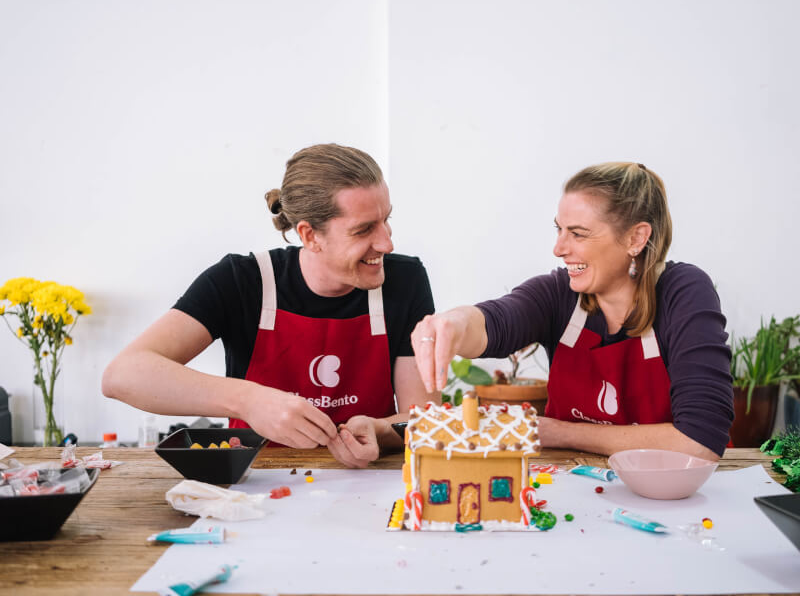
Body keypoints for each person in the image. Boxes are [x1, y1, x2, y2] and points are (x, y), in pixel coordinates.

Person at [103, 143, 434, 467]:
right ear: (309, 235)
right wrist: (248, 400)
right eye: (363, 230)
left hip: (365, 486)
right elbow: (122, 375)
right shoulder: (241, 281)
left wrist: (381, 430)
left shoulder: (405, 282)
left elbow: (423, 421)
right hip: (253, 489)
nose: (387, 242)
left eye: (386, 220)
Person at [411, 162, 733, 461]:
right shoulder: (560, 295)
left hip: (674, 501)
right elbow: (494, 322)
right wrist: (451, 325)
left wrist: (559, 432)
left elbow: (700, 442)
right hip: (576, 490)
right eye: (559, 230)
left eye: (578, 234)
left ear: (636, 238)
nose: (559, 248)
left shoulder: (684, 293)